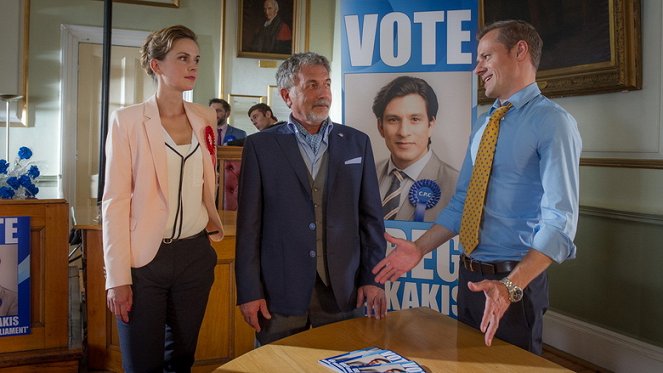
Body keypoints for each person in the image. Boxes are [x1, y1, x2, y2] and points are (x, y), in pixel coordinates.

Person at [372, 20, 581, 354]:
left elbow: (560, 222)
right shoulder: (486, 124)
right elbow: (461, 204)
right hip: (468, 278)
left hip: (513, 285)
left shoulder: (553, 123)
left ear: (520, 51)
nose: (477, 68)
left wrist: (510, 287)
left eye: (485, 56)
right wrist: (419, 249)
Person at [235, 52, 387, 345]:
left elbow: (371, 220)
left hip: (343, 291)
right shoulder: (260, 146)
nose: (323, 94)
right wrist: (249, 291)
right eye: (312, 85)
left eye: (327, 84)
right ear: (286, 95)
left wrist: (372, 278)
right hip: (279, 293)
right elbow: (249, 228)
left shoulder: (357, 142)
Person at [102, 25, 224, 372]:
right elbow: (114, 202)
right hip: (144, 261)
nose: (192, 66)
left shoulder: (205, 117)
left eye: (196, 59)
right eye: (182, 58)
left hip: (194, 255)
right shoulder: (127, 121)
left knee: (182, 360)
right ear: (156, 65)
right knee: (142, 363)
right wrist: (117, 277)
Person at [372, 76, 459, 222]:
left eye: (415, 119)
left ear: (430, 125)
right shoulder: (366, 176)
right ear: (381, 127)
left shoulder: (458, 185)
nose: (403, 132)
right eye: (393, 120)